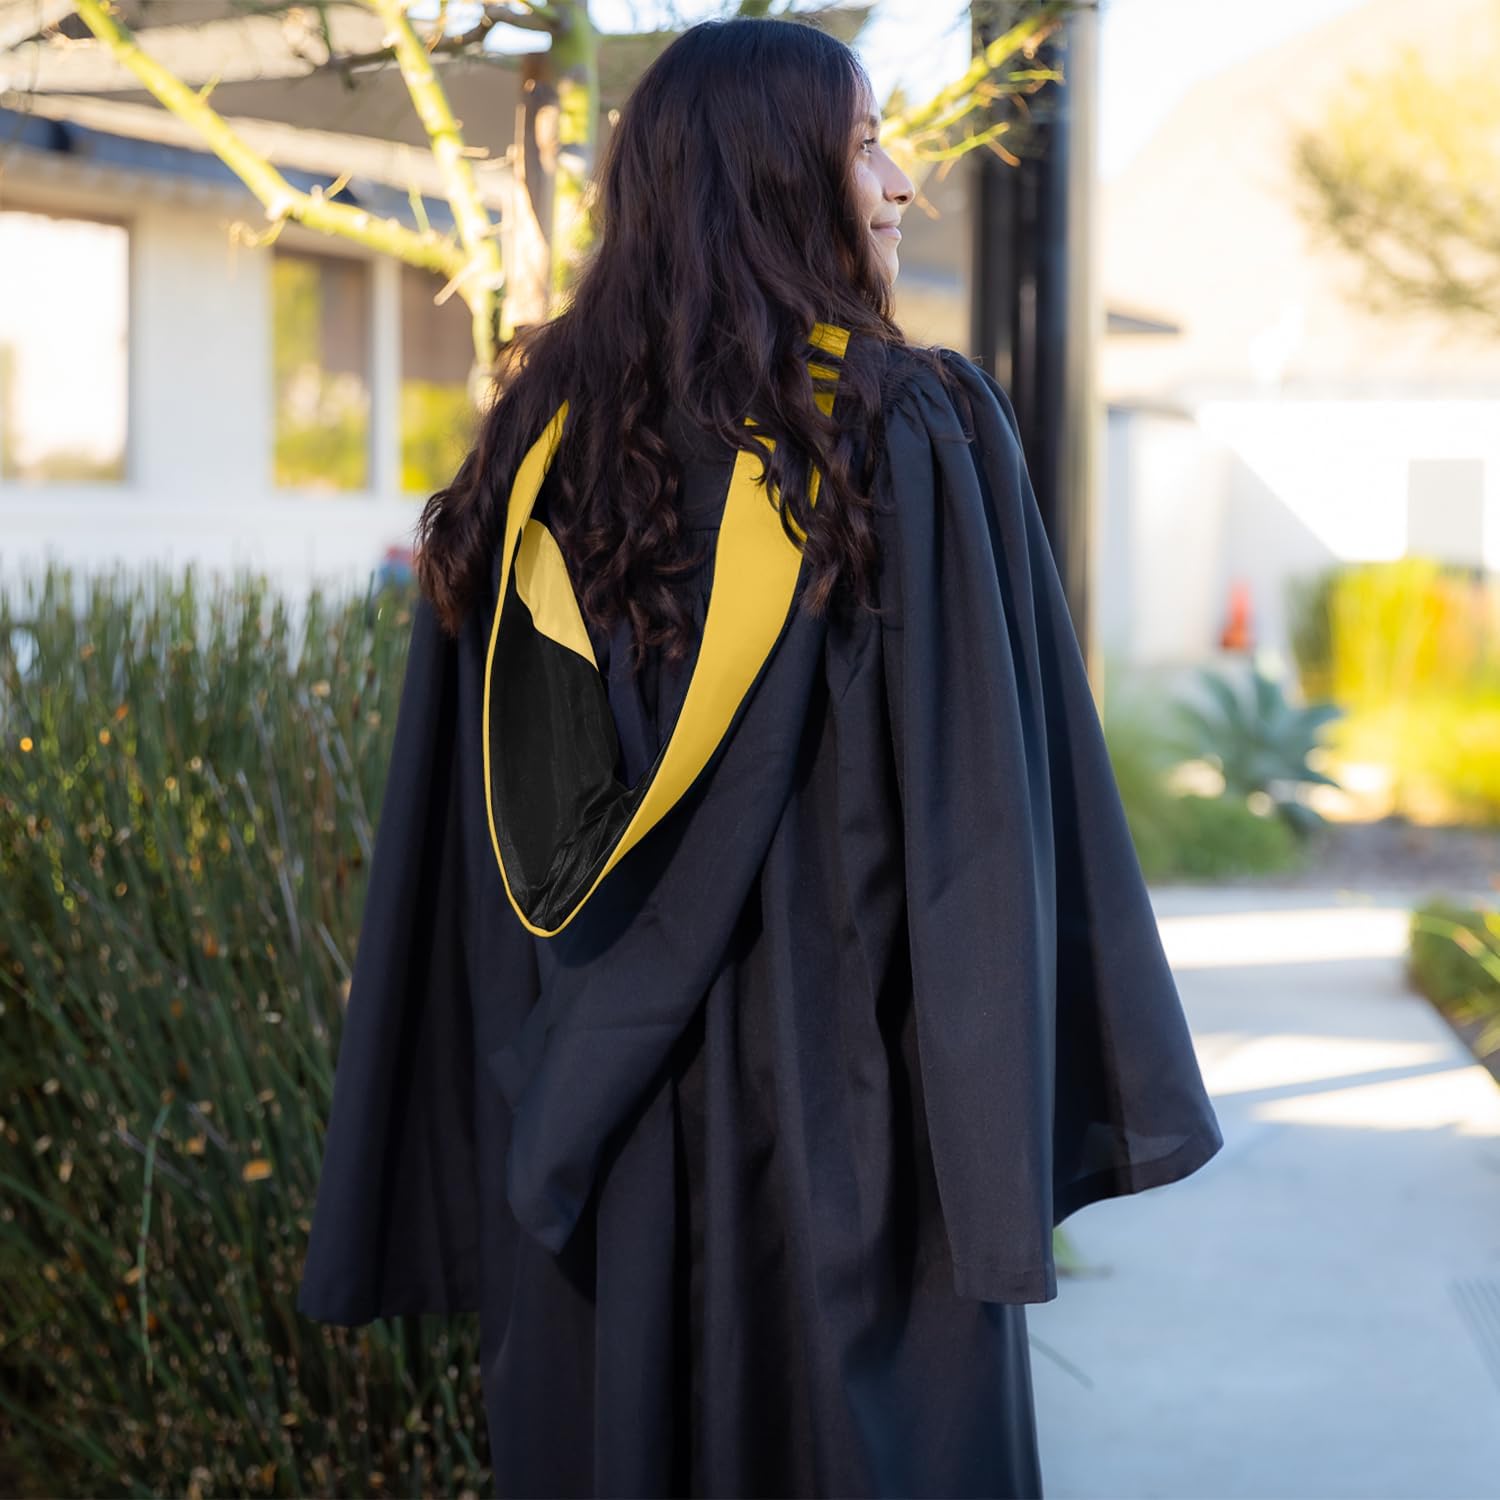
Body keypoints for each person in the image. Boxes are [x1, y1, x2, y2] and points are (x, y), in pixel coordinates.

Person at [296, 15, 1224, 1499]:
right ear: (773, 180)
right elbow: (985, 830)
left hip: (586, 1147)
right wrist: (994, 1179)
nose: (901, 182)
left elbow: (471, 868)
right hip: (845, 1154)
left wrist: (509, 1127)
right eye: (865, 143)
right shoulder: (905, 430)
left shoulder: (532, 457)